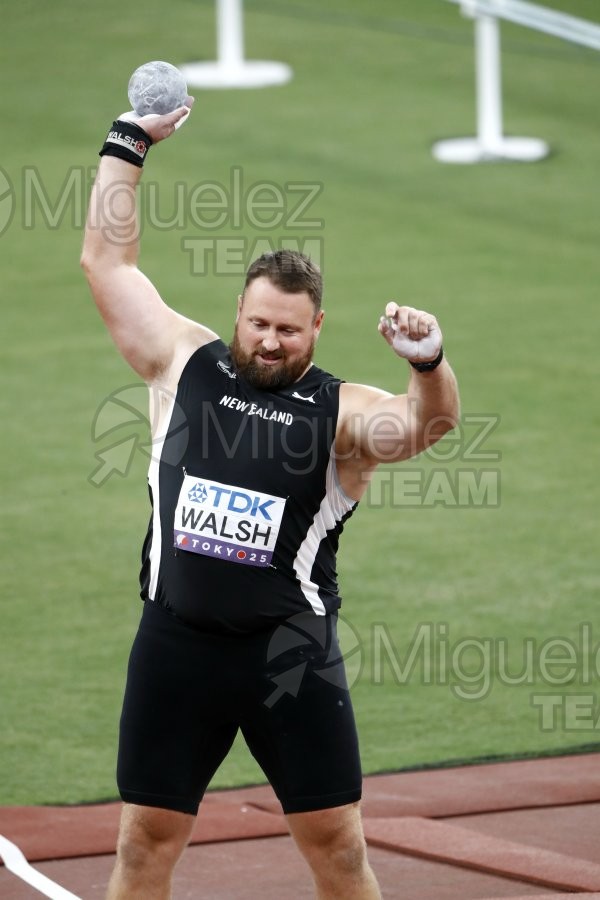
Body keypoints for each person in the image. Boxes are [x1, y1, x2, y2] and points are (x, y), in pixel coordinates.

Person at [81, 98, 460, 900]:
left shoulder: (341, 412)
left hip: (287, 657)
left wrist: (428, 363)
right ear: (239, 315)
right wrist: (129, 142)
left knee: (337, 848)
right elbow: (107, 265)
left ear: (316, 327)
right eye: (258, 323)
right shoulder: (183, 363)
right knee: (144, 842)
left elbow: (429, 427)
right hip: (175, 645)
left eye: (288, 330)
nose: (268, 341)